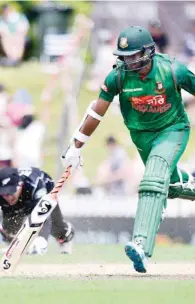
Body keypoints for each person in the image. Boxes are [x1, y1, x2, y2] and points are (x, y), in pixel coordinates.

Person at [62, 25, 195, 273]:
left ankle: (141, 246)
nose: (129, 61)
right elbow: (96, 112)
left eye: (134, 55)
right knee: (170, 186)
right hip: (141, 136)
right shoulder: (118, 76)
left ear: (148, 52)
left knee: (152, 180)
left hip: (172, 130)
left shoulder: (173, 69)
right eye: (125, 56)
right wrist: (75, 147)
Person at [0, 167, 74, 256]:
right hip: (15, 205)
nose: (8, 197)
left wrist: (41, 240)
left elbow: (43, 215)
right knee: (10, 226)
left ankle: (66, 235)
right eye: (4, 193)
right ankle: (13, 243)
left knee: (57, 228)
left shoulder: (35, 184)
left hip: (43, 191)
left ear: (20, 185)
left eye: (10, 192)